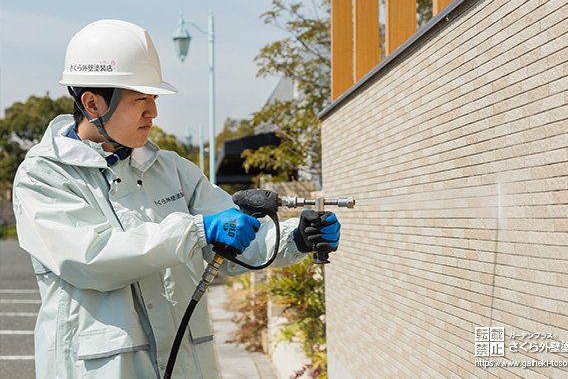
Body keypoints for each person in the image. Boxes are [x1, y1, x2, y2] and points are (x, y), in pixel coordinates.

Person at [12, 19, 341, 379]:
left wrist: (294, 237)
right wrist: (197, 231)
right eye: (141, 99)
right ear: (92, 103)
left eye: (153, 98)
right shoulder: (44, 176)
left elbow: (236, 238)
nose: (153, 112)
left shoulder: (171, 169)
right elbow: (91, 258)